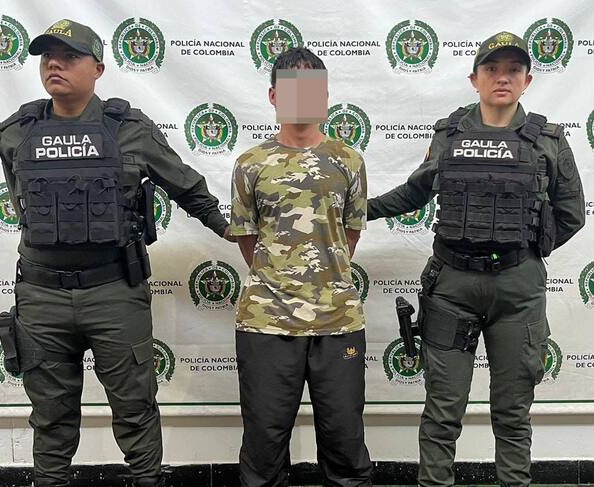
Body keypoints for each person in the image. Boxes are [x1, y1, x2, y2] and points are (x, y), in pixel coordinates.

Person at [0, 19, 233, 487]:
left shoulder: (129, 129)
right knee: (50, 416)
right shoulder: (17, 132)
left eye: (70, 56)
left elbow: (186, 186)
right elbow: (23, 204)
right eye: (47, 56)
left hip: (114, 293)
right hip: (41, 298)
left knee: (134, 407)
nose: (55, 64)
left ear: (99, 68)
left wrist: (228, 229)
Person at [367, 32, 585, 487]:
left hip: (518, 292)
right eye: (491, 69)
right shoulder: (449, 134)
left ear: (527, 80)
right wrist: (359, 208)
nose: (502, 78)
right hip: (453, 288)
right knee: (443, 410)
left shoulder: (548, 140)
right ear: (474, 79)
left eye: (513, 70)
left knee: (512, 412)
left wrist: (525, 244)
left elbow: (571, 215)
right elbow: (415, 192)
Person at [230, 47, 373, 487]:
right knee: (264, 445)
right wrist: (280, 276)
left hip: (337, 320)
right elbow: (248, 239)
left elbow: (348, 237)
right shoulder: (250, 164)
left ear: (324, 97)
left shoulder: (349, 161)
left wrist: (322, 276)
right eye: (291, 89)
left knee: (345, 442)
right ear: (274, 96)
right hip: (266, 321)